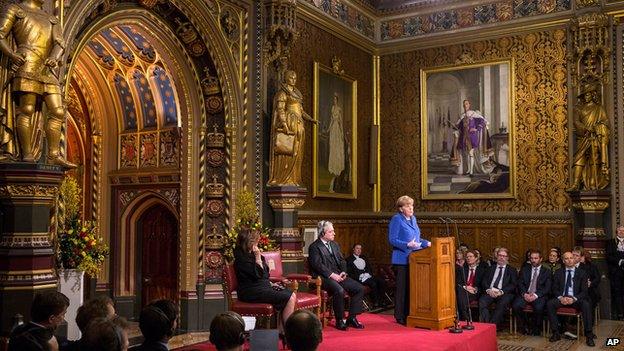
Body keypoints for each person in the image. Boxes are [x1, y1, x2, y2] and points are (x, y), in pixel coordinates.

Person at [0, 0, 75, 167]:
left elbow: (59, 43)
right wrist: (12, 54)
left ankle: (53, 155)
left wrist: (54, 58)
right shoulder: (15, 9)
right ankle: (26, 154)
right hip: (27, 62)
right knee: (27, 109)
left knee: (58, 111)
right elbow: (1, 34)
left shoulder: (51, 18)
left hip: (47, 68)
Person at [233, 228, 296, 327]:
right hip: (250, 292)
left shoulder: (251, 255)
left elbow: (266, 275)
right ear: (249, 242)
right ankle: (288, 331)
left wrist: (270, 283)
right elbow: (259, 274)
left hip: (261, 288)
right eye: (256, 240)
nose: (258, 242)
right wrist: (258, 257)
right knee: (289, 298)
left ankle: (282, 330)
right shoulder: (242, 259)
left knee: (291, 295)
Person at [309, 220, 365, 330]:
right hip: (323, 278)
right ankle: (340, 320)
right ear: (322, 233)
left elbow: (342, 260)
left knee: (359, 288)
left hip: (339, 275)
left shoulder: (334, 244)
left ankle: (351, 318)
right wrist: (332, 275)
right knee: (339, 290)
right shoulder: (314, 247)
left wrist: (343, 272)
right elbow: (318, 265)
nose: (334, 233)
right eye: (331, 232)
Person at [267, 70, 316, 186]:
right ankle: (283, 178)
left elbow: (301, 111)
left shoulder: (297, 95)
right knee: (287, 150)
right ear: (286, 78)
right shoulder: (282, 93)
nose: (293, 80)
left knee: (297, 152)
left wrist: (311, 119)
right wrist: (284, 125)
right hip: (289, 123)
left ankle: (294, 178)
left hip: (299, 124)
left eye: (295, 78)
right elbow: (280, 110)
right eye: (291, 78)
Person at [388, 195, 430, 325]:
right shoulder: (396, 219)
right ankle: (400, 315)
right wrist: (407, 245)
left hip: (414, 260)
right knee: (402, 289)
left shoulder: (413, 219)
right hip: (401, 260)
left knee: (412, 288)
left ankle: (409, 313)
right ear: (401, 208)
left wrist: (426, 243)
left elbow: (416, 239)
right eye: (407, 206)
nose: (411, 208)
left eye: (411, 205)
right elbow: (392, 240)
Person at [546, 252, 596, 347]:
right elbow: (554, 289)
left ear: (574, 259)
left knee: (586, 304)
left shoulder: (582, 273)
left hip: (576, 299)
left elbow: (584, 292)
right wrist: (561, 298)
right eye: (567, 258)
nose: (569, 260)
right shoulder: (558, 272)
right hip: (563, 298)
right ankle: (556, 333)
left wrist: (574, 299)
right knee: (550, 304)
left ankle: (589, 335)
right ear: (563, 261)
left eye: (571, 258)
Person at [568, 82, 609, 191]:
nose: (586, 97)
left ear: (592, 95)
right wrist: (586, 128)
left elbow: (605, 121)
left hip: (594, 137)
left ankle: (592, 182)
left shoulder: (599, 108)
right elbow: (576, 122)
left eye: (588, 95)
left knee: (594, 158)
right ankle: (576, 183)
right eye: (584, 95)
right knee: (578, 159)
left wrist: (597, 127)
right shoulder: (579, 109)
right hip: (583, 137)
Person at [512, 250, 551, 336]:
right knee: (516, 305)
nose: (533, 260)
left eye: (536, 258)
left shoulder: (547, 271)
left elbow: (547, 287)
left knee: (539, 307)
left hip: (539, 295)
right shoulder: (525, 269)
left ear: (541, 259)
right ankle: (525, 325)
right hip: (526, 293)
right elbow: (520, 283)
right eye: (532, 258)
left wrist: (536, 295)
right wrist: (524, 294)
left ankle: (536, 328)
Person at [478, 247, 517, 329]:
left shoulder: (512, 270)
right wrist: (488, 290)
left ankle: (491, 327)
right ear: (497, 256)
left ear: (507, 258)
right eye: (500, 255)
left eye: (504, 256)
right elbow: (484, 282)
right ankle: (486, 325)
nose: (501, 258)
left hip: (504, 293)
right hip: (490, 291)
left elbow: (513, 285)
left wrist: (501, 291)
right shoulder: (490, 268)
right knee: (482, 301)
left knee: (502, 303)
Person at [454, 99, 491, 176]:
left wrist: (476, 129)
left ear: (469, 105)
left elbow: (482, 121)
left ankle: (471, 171)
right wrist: (456, 126)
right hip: (464, 137)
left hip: (472, 137)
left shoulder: (473, 113)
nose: (465, 106)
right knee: (467, 153)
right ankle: (468, 170)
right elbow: (459, 126)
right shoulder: (462, 116)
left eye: (466, 104)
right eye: (464, 105)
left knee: (471, 153)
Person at [346, 243, 387, 308]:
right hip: (358, 279)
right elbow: (349, 273)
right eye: (357, 248)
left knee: (382, 281)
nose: (359, 250)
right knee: (373, 283)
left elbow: (369, 268)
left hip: (368, 276)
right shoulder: (349, 260)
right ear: (353, 249)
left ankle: (382, 301)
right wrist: (359, 277)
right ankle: (375, 302)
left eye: (360, 249)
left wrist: (368, 274)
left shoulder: (364, 257)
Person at [456, 250, 485, 321]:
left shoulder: (482, 270)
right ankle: (466, 318)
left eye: (471, 256)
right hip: (464, 290)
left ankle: (464, 319)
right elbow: (458, 282)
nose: (468, 258)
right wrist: (465, 287)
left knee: (460, 296)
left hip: (474, 292)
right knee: (461, 293)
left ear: (476, 258)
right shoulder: (462, 269)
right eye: (467, 257)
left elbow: (483, 284)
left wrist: (475, 289)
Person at [574, 247, 601, 313]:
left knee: (588, 299)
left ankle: (588, 320)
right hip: (574, 291)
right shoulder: (567, 266)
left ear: (582, 257)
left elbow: (597, 278)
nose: (574, 257)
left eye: (577, 255)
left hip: (589, 290)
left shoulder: (590, 266)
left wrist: (590, 284)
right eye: (573, 255)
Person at [327, 93, 345, 193]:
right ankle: (332, 164)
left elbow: (340, 122)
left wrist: (342, 133)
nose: (334, 101)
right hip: (333, 129)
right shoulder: (332, 108)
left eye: (335, 99)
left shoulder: (339, 109)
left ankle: (336, 165)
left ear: (337, 100)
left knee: (336, 146)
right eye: (333, 99)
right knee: (332, 147)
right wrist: (328, 130)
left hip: (337, 129)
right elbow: (331, 120)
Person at [606, 225, 624, 320]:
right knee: (617, 292)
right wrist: (619, 261)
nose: (621, 232)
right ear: (616, 231)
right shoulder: (611, 242)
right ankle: (619, 314)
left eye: (623, 231)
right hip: (615, 272)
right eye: (620, 230)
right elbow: (608, 256)